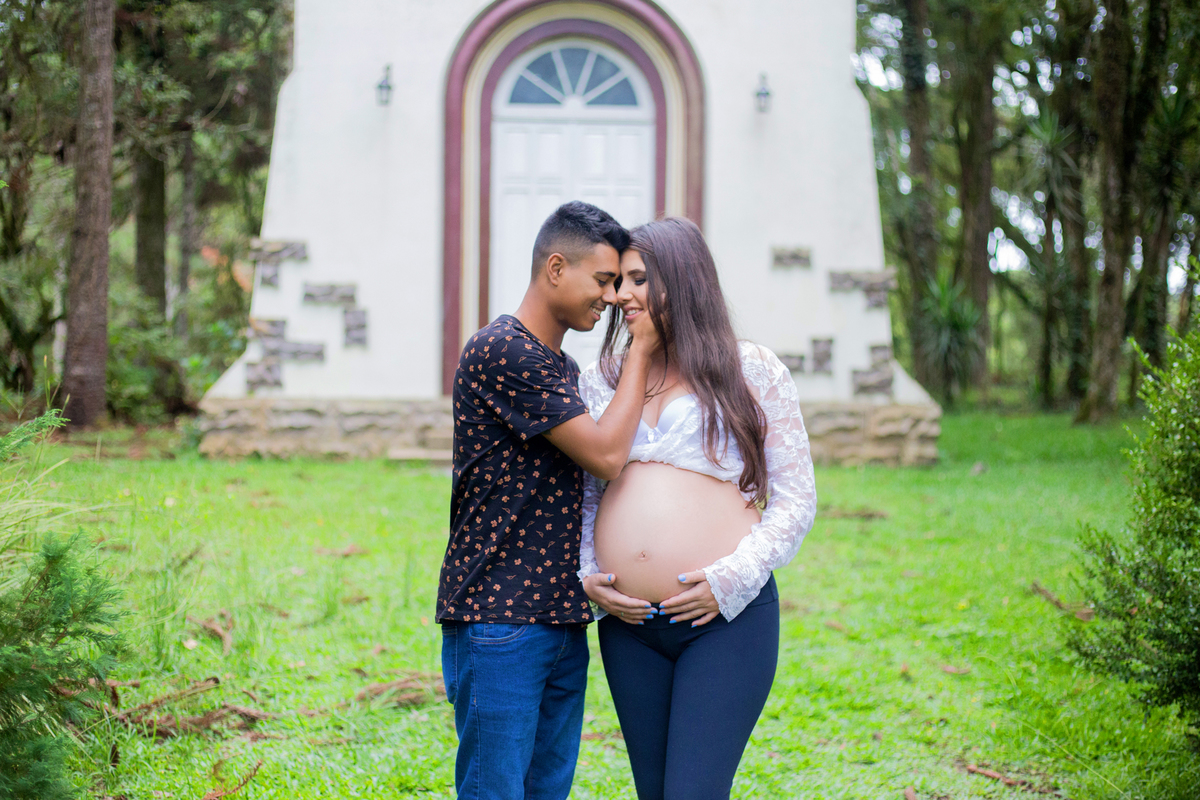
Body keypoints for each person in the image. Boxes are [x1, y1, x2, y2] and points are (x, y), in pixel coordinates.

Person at [577, 217, 817, 800]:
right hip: (630, 628)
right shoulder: (600, 379)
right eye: (617, 281)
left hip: (722, 621)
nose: (619, 295)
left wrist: (728, 579)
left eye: (637, 279)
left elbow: (796, 499)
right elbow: (587, 498)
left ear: (681, 281)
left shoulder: (751, 369)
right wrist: (590, 573)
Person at [436, 201, 661, 800]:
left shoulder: (559, 365)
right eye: (604, 280)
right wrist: (641, 350)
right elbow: (607, 455)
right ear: (556, 268)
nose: (613, 296)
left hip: (559, 617)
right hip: (500, 617)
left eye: (619, 283)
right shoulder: (502, 350)